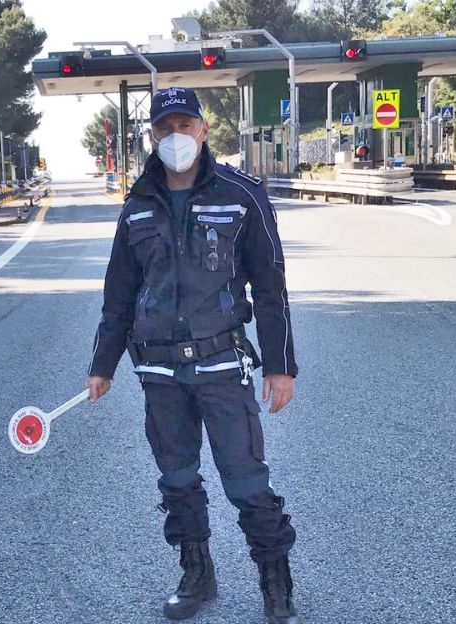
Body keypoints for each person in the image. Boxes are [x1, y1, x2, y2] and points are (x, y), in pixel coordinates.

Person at [85, 87, 300, 623]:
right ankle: (196, 574)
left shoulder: (242, 194)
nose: (175, 136)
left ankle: (276, 585)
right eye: (165, 128)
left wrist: (280, 367)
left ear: (203, 130)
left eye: (185, 125)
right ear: (152, 136)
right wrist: (101, 366)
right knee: (177, 480)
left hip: (222, 365)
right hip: (159, 370)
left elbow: (270, 288)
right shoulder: (137, 205)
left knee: (246, 480)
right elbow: (119, 295)